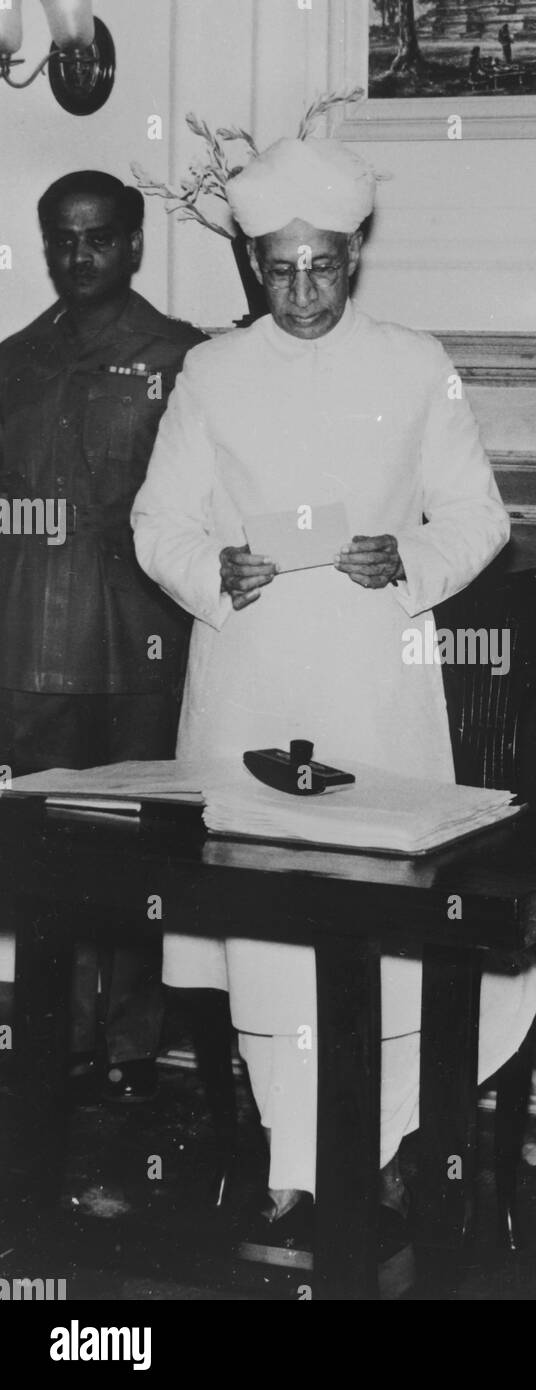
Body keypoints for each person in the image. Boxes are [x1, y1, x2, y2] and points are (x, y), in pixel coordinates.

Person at [131, 136, 536, 1284]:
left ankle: (380, 1141)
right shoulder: (212, 373)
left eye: (322, 268)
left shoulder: (416, 365)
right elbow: (154, 522)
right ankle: (291, 1167)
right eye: (280, 271)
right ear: (254, 266)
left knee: (385, 917)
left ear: (355, 255)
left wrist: (402, 559)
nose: (302, 292)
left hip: (372, 683)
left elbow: (481, 517)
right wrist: (217, 571)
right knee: (265, 932)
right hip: (251, 677)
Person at [0, 172, 204, 1103]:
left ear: (132, 244)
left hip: (141, 650)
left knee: (137, 856)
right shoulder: (14, 360)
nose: (78, 257)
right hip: (29, 648)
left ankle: (132, 1049)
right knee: (40, 856)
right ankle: (53, 1038)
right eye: (62, 241)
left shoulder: (185, 357)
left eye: (97, 239)